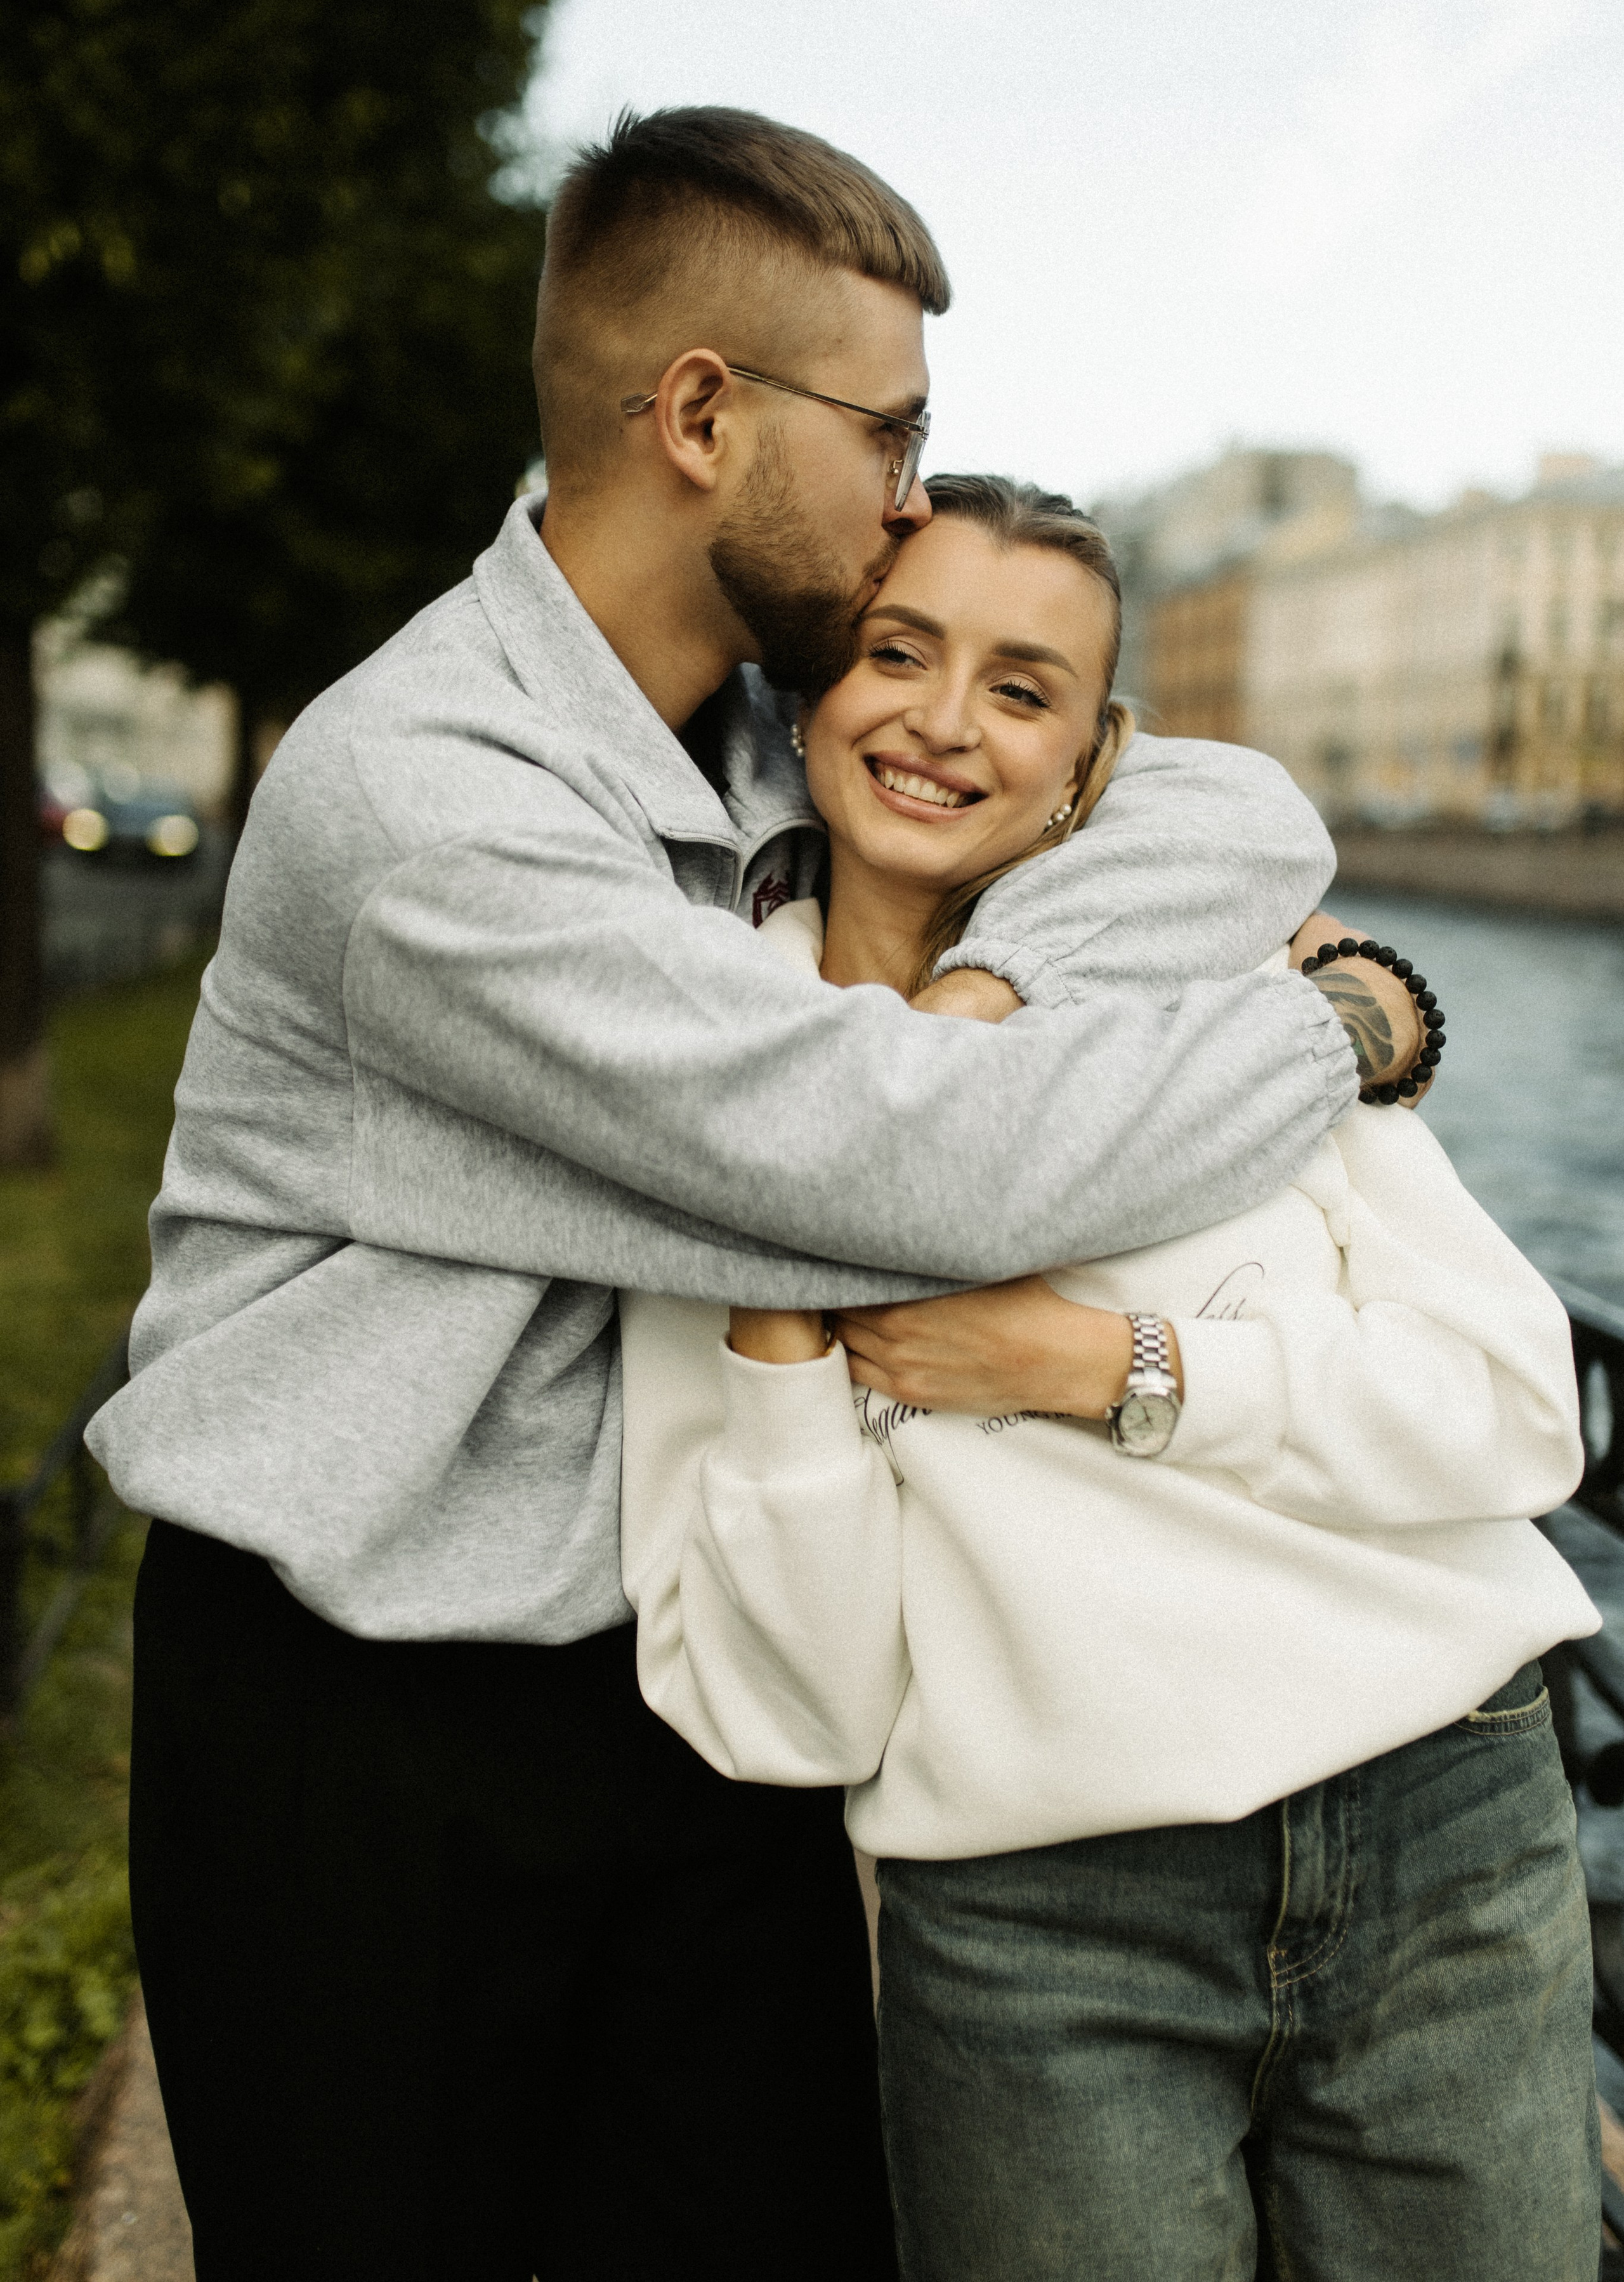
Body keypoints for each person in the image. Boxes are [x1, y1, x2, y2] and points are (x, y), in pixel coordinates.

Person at [88, 110, 1420, 2281]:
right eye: (892, 432)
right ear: (702, 417)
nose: (910, 496)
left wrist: (989, 981)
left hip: (691, 1695)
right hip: (367, 1723)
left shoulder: (758, 720)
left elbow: (1227, 811)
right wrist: (1336, 1031)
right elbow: (915, 1174)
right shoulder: (430, 805)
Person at [621, 474, 1601, 2282]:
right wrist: (779, 1301)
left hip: (1445, 1826)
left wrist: (1111, 1365)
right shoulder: (713, 1094)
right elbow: (794, 1717)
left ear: (1086, 766)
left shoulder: (1216, 988)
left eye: (1023, 688)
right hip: (1038, 1925)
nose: (945, 721)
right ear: (806, 698)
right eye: (897, 653)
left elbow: (1521, 1406)